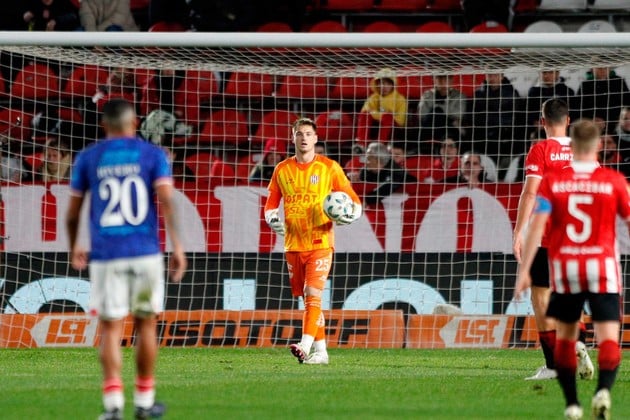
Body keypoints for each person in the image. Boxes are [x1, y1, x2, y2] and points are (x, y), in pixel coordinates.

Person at [65, 98, 187, 420]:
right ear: (135, 124)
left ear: (104, 125)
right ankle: (145, 401)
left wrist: (74, 243)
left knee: (110, 328)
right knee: (146, 323)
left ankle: (113, 405)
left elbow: (72, 212)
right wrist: (177, 246)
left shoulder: (89, 157)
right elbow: (166, 201)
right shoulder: (152, 155)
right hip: (145, 254)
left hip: (106, 256)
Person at [514, 119, 630, 420]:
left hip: (568, 269)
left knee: (566, 337)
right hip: (603, 268)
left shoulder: (554, 183)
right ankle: (603, 390)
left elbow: (537, 225)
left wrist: (524, 270)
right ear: (599, 146)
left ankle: (572, 405)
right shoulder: (614, 181)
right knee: (607, 338)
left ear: (573, 146)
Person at [264, 117, 362, 365]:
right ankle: (322, 352)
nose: (304, 138)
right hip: (293, 244)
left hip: (320, 242)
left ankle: (305, 344)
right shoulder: (282, 169)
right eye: (299, 134)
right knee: (307, 300)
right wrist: (272, 219)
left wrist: (350, 215)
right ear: (293, 138)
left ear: (316, 139)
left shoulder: (329, 167)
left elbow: (354, 201)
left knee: (313, 293)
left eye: (308, 134)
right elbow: (271, 204)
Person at [513, 98, 594, 381]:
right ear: (568, 120)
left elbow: (531, 192)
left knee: (542, 296)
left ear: (542, 120)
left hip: (546, 235)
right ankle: (578, 342)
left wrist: (518, 232)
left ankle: (553, 365)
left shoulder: (540, 150)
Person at [470, 72, 523, 160]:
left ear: (502, 77)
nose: (492, 78)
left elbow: (513, 117)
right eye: (490, 75)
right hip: (483, 133)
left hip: (505, 133)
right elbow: (475, 117)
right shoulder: (478, 94)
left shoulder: (511, 94)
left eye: (496, 75)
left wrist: (489, 115)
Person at [355, 68, 407, 145]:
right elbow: (365, 112)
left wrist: (381, 115)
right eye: (381, 83)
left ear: (393, 85)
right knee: (365, 115)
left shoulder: (400, 99)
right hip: (376, 126)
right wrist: (382, 115)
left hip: (394, 129)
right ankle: (361, 144)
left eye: (387, 84)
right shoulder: (373, 97)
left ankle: (380, 145)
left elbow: (400, 121)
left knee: (387, 117)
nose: (384, 87)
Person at [353, 142, 414, 206]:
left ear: (378, 159)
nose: (365, 159)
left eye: (368, 157)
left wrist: (367, 200)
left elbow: (389, 186)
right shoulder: (365, 171)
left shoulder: (395, 171)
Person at [576, 65, 630, 131]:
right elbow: (578, 109)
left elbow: (627, 104)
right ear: (592, 69)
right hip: (592, 127)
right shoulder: (585, 85)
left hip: (617, 126)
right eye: (599, 68)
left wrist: (620, 119)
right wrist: (592, 119)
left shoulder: (618, 81)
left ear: (610, 69)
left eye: (605, 68)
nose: (603, 71)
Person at [525, 69, 574, 139]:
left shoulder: (567, 91)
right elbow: (528, 112)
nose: (547, 75)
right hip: (540, 129)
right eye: (544, 72)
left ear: (557, 73)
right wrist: (535, 123)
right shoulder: (533, 92)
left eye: (551, 72)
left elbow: (573, 114)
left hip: (561, 127)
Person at [418, 74, 467, 141]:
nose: (443, 82)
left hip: (451, 127)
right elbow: (422, 114)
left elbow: (459, 113)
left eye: (446, 78)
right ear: (434, 79)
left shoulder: (459, 96)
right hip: (431, 127)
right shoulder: (427, 95)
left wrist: (439, 107)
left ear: (452, 80)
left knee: (437, 111)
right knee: (435, 113)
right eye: (439, 78)